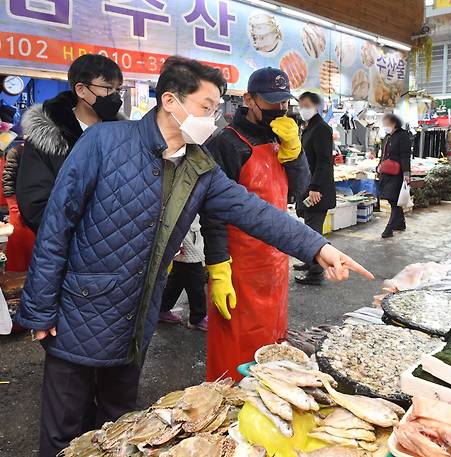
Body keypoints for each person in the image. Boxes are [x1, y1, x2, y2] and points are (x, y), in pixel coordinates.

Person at [15, 55, 372, 457]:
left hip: (137, 314)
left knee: (118, 427)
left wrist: (318, 247)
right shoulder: (104, 143)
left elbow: (254, 212)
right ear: (170, 100)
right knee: (63, 430)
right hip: (79, 311)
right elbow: (56, 227)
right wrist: (40, 309)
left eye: (217, 108)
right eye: (206, 107)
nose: (213, 117)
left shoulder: (199, 167)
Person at [204, 67, 311, 381]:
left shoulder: (282, 134)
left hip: (274, 260)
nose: (278, 110)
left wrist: (295, 150)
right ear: (248, 99)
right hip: (239, 266)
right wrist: (218, 268)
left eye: (284, 103)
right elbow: (214, 211)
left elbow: (299, 189)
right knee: (235, 353)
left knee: (271, 348)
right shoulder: (227, 142)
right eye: (270, 102)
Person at [16, 54, 124, 233]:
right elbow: (35, 206)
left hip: (116, 246)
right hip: (65, 248)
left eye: (118, 89)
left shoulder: (123, 136)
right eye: (107, 88)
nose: (115, 96)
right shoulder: (46, 138)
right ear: (81, 90)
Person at [295, 91, 336, 286]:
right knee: (308, 227)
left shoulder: (321, 129)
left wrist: (315, 187)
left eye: (307, 105)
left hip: (316, 189)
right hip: (308, 186)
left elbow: (324, 161)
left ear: (316, 106)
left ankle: (316, 272)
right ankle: (309, 261)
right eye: (301, 104)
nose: (303, 109)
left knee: (314, 230)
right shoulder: (309, 127)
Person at [159, 215, 208, 330]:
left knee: (178, 277)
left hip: (188, 234)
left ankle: (162, 308)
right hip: (188, 237)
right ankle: (198, 317)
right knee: (195, 278)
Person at [2, 142, 36, 271]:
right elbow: (8, 180)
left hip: (39, 205)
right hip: (18, 206)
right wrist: (14, 206)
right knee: (19, 246)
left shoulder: (46, 152)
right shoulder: (16, 152)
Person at [377, 113, 411, 239]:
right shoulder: (387, 137)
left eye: (387, 124)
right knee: (393, 200)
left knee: (394, 200)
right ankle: (401, 224)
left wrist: (407, 173)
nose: (385, 126)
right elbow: (383, 154)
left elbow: (405, 155)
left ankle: (389, 228)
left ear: (395, 123)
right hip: (386, 172)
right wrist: (379, 166)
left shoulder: (403, 136)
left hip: (398, 173)